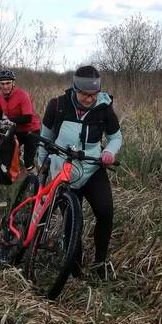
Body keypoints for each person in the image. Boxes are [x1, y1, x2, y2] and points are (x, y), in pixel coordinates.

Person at [37, 65, 122, 279]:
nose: (89, 99)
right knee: (74, 221)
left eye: (93, 95)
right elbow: (45, 138)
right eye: (85, 94)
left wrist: (109, 152)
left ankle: (100, 263)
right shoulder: (57, 106)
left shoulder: (104, 108)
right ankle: (74, 269)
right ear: (75, 89)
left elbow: (115, 137)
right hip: (64, 171)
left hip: (92, 168)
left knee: (105, 211)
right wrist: (42, 166)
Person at [0, 70, 41, 174]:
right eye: (2, 83)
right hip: (16, 130)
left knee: (28, 162)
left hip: (31, 130)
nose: (5, 86)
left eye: (8, 83)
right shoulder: (0, 97)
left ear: (13, 83)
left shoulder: (23, 95)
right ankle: (16, 177)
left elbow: (27, 118)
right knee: (8, 154)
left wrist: (7, 121)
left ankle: (35, 181)